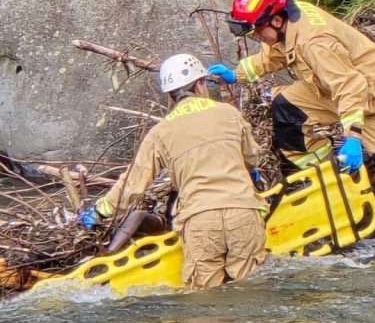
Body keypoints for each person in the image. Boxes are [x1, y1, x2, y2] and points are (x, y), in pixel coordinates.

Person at [209, 0, 375, 242]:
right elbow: (277, 52)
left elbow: (351, 87)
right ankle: (333, 179)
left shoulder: (314, 42)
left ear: (275, 20)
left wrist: (352, 136)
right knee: (288, 114)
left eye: (257, 31)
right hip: (328, 89)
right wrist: (238, 74)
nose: (255, 37)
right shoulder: (290, 22)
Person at [78, 53, 267, 290]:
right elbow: (251, 155)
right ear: (200, 85)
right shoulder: (229, 113)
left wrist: (100, 211)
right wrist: (253, 172)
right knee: (251, 291)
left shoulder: (162, 131)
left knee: (206, 303)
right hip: (244, 211)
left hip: (200, 220)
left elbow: (134, 184)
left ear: (169, 95)